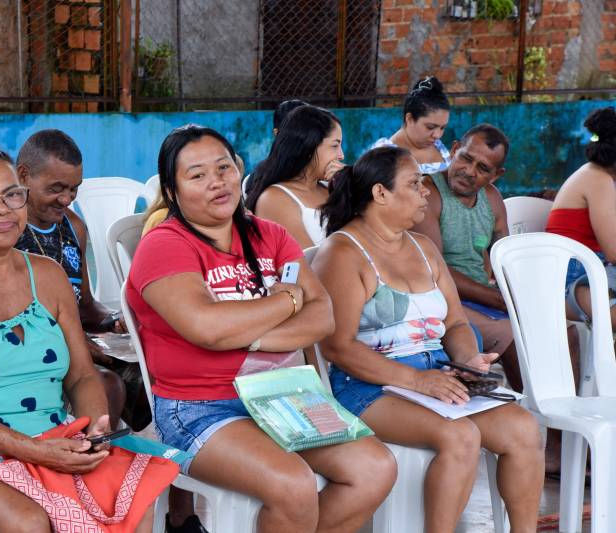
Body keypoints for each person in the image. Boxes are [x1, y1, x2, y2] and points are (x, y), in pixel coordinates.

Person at [127, 124, 396, 533]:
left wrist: (247, 336)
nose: (217, 182)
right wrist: (286, 300)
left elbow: (322, 316)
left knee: (375, 467)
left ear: (239, 170)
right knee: (293, 483)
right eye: (197, 175)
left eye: (224, 168)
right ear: (172, 188)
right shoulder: (164, 245)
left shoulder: (269, 235)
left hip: (283, 394)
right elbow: (206, 327)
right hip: (200, 407)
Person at [0, 146, 160, 531]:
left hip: (48, 436)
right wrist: (36, 451)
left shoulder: (48, 275)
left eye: (12, 195)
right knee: (29, 523)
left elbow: (83, 376)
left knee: (135, 496)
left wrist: (95, 429)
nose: (2, 209)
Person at [313, 146, 544, 533]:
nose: (426, 192)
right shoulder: (342, 252)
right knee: (460, 436)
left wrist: (468, 360)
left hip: (436, 375)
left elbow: (455, 323)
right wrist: (418, 381)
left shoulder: (424, 247)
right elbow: (337, 347)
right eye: (415, 183)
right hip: (368, 386)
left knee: (524, 428)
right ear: (380, 193)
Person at [14, 129, 148, 430]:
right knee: (108, 386)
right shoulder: (5, 230)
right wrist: (74, 344)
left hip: (73, 346)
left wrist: (114, 320)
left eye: (74, 189)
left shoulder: (74, 227)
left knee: (157, 371)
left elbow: (84, 305)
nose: (66, 199)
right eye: (56, 188)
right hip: (22, 352)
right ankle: (93, 464)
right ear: (23, 176)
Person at [410, 124, 522, 392]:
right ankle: (525, 407)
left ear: (497, 175)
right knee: (513, 333)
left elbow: (506, 258)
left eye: (483, 168)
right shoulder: (429, 194)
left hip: (483, 298)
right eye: (466, 158)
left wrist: (516, 294)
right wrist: (499, 299)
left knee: (566, 332)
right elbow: (434, 272)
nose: (469, 171)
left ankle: (556, 431)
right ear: (455, 149)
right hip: (438, 298)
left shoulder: (492, 200)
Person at [546, 106, 616, 327]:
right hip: (570, 283)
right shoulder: (597, 179)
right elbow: (614, 251)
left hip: (591, 275)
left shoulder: (604, 178)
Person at [246, 105, 344, 248]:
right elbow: (306, 262)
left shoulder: (330, 187)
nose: (341, 155)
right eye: (335, 146)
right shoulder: (274, 200)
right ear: (309, 146)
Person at [371, 76, 451, 175]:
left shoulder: (438, 146)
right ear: (409, 119)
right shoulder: (383, 155)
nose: (438, 135)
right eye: (430, 127)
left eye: (443, 128)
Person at [242, 99, 308, 195]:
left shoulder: (319, 173)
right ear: (277, 133)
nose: (307, 138)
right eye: (298, 132)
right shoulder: (262, 177)